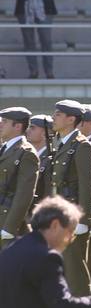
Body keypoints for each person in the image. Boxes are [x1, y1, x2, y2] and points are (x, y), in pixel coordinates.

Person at [47, 100, 91, 297]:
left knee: (75, 267)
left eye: (58, 114)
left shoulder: (82, 146)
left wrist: (83, 219)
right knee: (64, 266)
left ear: (71, 119)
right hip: (61, 215)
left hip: (74, 216)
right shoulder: (64, 144)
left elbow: (88, 184)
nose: (53, 117)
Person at [0, 107, 40, 250]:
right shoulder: (4, 148)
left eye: (4, 121)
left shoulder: (26, 153)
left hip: (6, 220)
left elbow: (24, 193)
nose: (0, 124)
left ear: (17, 126)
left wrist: (10, 227)